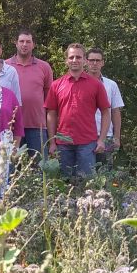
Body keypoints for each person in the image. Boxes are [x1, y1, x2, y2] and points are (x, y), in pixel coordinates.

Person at [45, 43, 110, 178]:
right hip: (63, 143)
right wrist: (52, 142)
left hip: (87, 143)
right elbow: (51, 114)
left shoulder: (96, 84)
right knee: (64, 183)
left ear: (85, 60)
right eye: (71, 57)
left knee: (87, 183)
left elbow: (105, 112)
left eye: (78, 57)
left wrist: (102, 139)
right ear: (66, 60)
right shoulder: (56, 85)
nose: (75, 60)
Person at [5, 28, 53, 159]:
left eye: (28, 41)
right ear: (16, 43)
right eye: (21, 41)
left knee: (39, 168)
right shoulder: (5, 66)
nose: (24, 45)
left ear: (33, 44)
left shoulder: (44, 67)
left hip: (37, 126)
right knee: (11, 168)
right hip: (11, 126)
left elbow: (49, 100)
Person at [86, 47, 124, 168]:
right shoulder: (78, 83)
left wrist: (117, 137)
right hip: (84, 136)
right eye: (91, 60)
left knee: (105, 173)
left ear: (103, 62)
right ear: (86, 62)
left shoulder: (111, 85)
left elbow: (115, 112)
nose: (94, 63)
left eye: (98, 60)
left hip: (106, 136)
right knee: (84, 174)